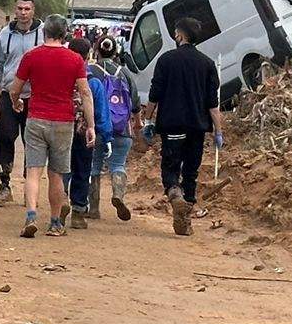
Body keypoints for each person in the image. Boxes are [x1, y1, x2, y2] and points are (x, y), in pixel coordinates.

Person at [7, 13, 94, 238]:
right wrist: (91, 124)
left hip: (36, 118)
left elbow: (15, 88)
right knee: (56, 174)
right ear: (64, 34)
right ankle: (55, 222)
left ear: (44, 32)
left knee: (33, 172)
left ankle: (31, 215)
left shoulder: (31, 56)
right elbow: (85, 92)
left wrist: (16, 103)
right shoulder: (75, 59)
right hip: (63, 122)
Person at [143, 16, 222, 237]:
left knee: (170, 167)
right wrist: (219, 130)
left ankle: (175, 194)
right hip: (198, 127)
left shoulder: (166, 60)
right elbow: (212, 103)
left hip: (172, 125)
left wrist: (148, 119)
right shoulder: (207, 64)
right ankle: (185, 219)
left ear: (179, 35)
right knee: (191, 172)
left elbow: (154, 94)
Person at [0, 0, 40, 206]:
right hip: (8, 94)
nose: (23, 13)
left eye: (27, 9)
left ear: (33, 10)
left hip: (35, 96)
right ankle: (4, 185)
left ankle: (31, 188)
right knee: (3, 137)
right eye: (19, 8)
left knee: (33, 142)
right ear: (15, 9)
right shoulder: (5, 34)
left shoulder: (43, 32)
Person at [88, 35, 138, 220]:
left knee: (94, 166)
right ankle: (118, 194)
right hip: (122, 129)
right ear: (116, 51)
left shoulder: (91, 71)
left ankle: (93, 209)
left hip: (97, 128)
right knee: (118, 164)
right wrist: (138, 123)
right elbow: (135, 104)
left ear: (96, 50)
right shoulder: (125, 73)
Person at [65, 38, 109, 229]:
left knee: (61, 169)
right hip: (85, 133)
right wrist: (104, 135)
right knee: (83, 171)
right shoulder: (94, 83)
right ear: (88, 55)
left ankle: (59, 202)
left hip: (62, 129)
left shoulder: (62, 77)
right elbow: (101, 112)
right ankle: (78, 212)